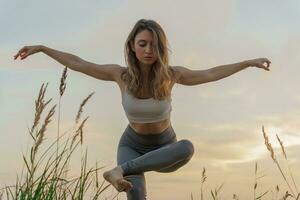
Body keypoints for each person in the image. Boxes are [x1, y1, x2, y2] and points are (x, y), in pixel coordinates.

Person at [14, 18, 271, 200]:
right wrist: (44, 49)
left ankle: (119, 170)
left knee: (187, 147)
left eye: (154, 45)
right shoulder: (120, 75)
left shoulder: (172, 75)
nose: (149, 50)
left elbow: (212, 73)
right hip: (131, 146)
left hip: (165, 149)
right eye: (143, 43)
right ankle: (122, 172)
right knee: (134, 195)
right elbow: (78, 62)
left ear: (161, 48)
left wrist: (248, 62)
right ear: (132, 47)